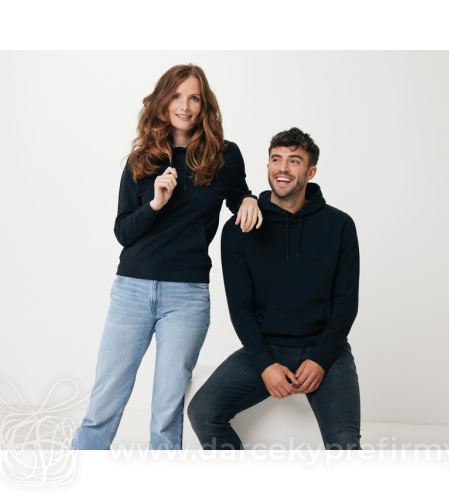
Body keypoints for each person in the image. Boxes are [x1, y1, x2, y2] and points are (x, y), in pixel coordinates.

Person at [70, 64, 262, 451]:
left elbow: (238, 195)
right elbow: (123, 231)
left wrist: (249, 199)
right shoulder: (141, 159)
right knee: (103, 404)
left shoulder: (224, 156)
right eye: (176, 96)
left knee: (166, 411)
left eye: (194, 98)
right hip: (132, 289)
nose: (184, 106)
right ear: (163, 102)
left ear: (204, 105)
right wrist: (155, 204)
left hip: (187, 295)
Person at [187, 127, 361, 450]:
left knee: (346, 447)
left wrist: (321, 359)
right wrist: (265, 364)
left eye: (294, 161)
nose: (283, 168)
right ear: (267, 166)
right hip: (267, 349)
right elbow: (240, 307)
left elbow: (346, 302)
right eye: (276, 159)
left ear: (311, 172)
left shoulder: (340, 226)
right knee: (203, 413)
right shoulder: (240, 229)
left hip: (326, 349)